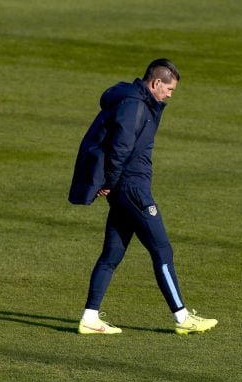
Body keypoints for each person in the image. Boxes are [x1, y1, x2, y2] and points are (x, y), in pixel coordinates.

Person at [72, 58, 217, 335]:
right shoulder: (135, 106)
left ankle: (89, 318)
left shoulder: (139, 102)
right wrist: (111, 183)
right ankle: (182, 318)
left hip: (125, 188)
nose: (170, 95)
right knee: (162, 250)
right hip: (132, 189)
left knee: (111, 255)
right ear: (156, 83)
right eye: (169, 90)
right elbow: (120, 148)